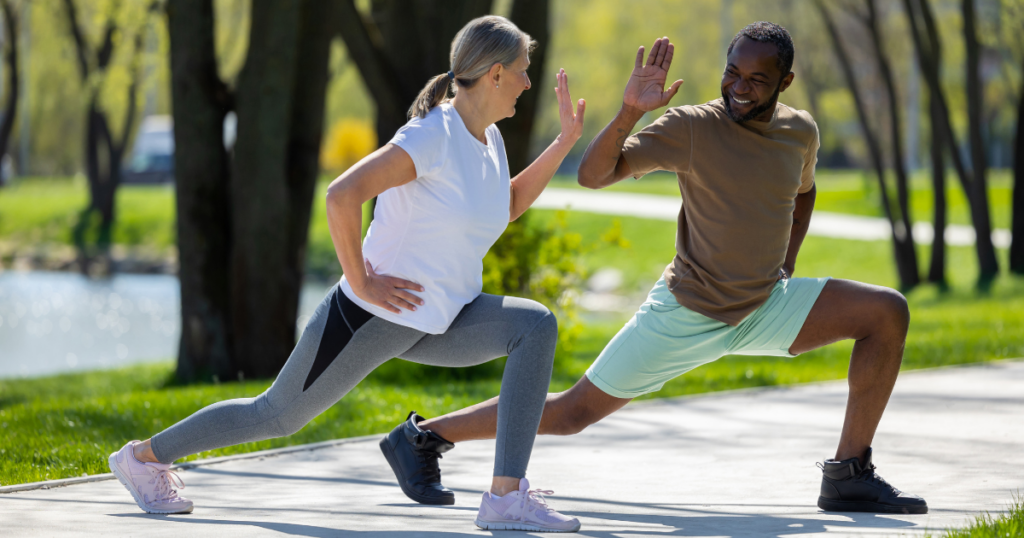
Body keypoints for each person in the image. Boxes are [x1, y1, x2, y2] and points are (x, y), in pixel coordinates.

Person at [383, 22, 928, 516]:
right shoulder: (691, 127)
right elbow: (595, 176)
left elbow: (803, 192)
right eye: (732, 73)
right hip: (686, 311)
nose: (740, 87)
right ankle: (423, 437)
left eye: (757, 80)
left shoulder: (800, 131)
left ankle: (848, 474)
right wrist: (630, 113)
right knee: (573, 414)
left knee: (886, 312)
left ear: (785, 82)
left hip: (766, 305)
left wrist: (788, 260)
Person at [107, 15, 587, 532]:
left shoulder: (488, 139)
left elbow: (508, 203)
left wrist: (562, 143)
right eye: (522, 70)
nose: (528, 82)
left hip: (441, 319)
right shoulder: (432, 136)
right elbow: (341, 195)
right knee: (277, 415)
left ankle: (506, 498)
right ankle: (144, 458)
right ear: (494, 74)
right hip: (370, 318)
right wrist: (360, 281)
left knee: (533, 326)